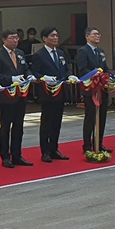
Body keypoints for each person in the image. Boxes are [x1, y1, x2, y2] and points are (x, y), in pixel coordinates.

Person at [32, 27, 78, 162]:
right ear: (44, 38)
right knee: (46, 122)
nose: (55, 38)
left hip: (60, 91)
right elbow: (35, 73)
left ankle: (54, 148)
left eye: (56, 35)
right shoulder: (39, 55)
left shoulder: (61, 53)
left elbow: (65, 69)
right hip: (47, 92)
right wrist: (44, 78)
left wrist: (70, 76)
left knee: (57, 122)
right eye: (52, 36)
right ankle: (45, 151)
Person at [0, 28, 35, 168]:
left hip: (20, 94)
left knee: (19, 126)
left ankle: (17, 154)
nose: (15, 40)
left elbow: (25, 67)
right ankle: (5, 156)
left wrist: (29, 75)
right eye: (12, 38)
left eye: (16, 38)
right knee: (6, 126)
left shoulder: (20, 53)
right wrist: (11, 79)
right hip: (6, 96)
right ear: (4, 40)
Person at [75, 27, 113, 153]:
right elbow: (82, 69)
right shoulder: (83, 51)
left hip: (102, 89)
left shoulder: (100, 51)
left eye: (99, 34)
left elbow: (105, 68)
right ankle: (87, 146)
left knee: (102, 117)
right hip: (90, 89)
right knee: (90, 117)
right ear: (87, 36)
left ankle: (99, 143)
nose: (98, 36)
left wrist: (112, 75)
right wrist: (96, 74)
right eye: (95, 34)